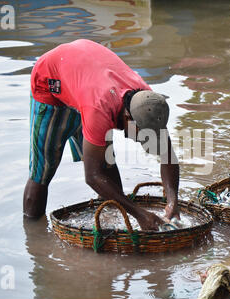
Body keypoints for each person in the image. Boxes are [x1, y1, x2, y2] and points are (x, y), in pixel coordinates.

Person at [23, 39, 180, 231]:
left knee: (107, 164)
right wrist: (140, 214)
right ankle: (33, 236)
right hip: (50, 82)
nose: (144, 139)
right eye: (142, 134)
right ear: (128, 117)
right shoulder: (100, 109)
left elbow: (168, 155)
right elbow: (92, 176)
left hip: (86, 77)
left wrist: (172, 201)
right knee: (43, 171)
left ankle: (111, 225)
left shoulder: (149, 103)